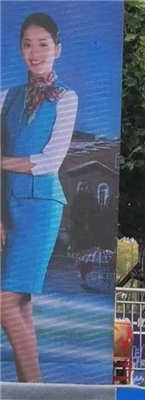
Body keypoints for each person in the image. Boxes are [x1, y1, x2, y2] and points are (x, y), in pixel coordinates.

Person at [0, 12, 78, 382]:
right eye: (28, 44)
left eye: (43, 44)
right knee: (20, 304)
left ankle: (33, 387)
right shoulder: (6, 97)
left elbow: (49, 161)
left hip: (42, 207)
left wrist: (2, 162)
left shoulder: (67, 99)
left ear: (57, 49)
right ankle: (31, 389)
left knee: (6, 302)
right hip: (9, 206)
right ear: (20, 50)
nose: (35, 52)